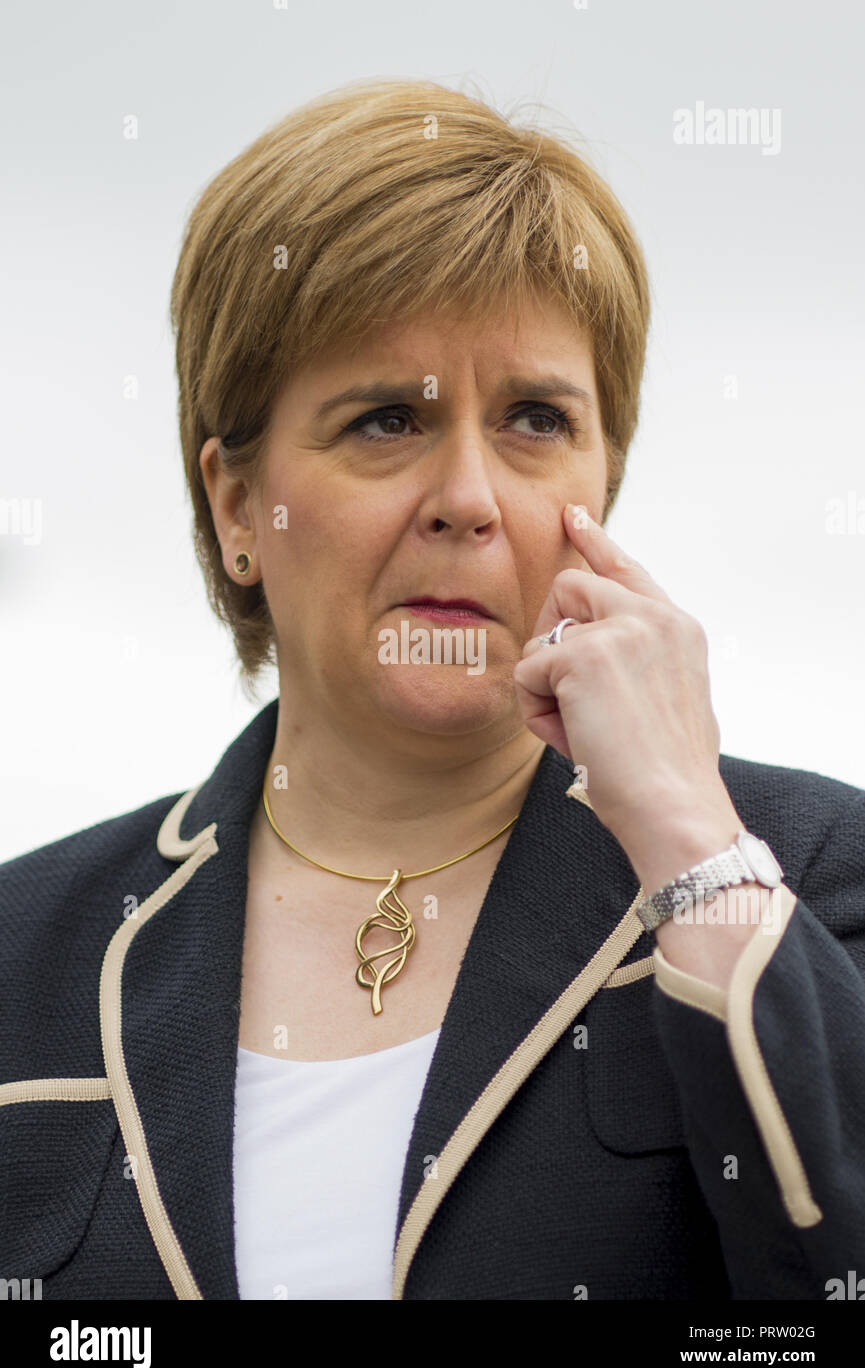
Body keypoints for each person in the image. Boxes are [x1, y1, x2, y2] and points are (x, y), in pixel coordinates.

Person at [2, 77, 864, 1303]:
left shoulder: (810, 872)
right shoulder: (22, 954)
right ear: (238, 508)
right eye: (385, 422)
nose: (468, 496)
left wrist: (691, 847)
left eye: (534, 419)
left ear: (601, 485)